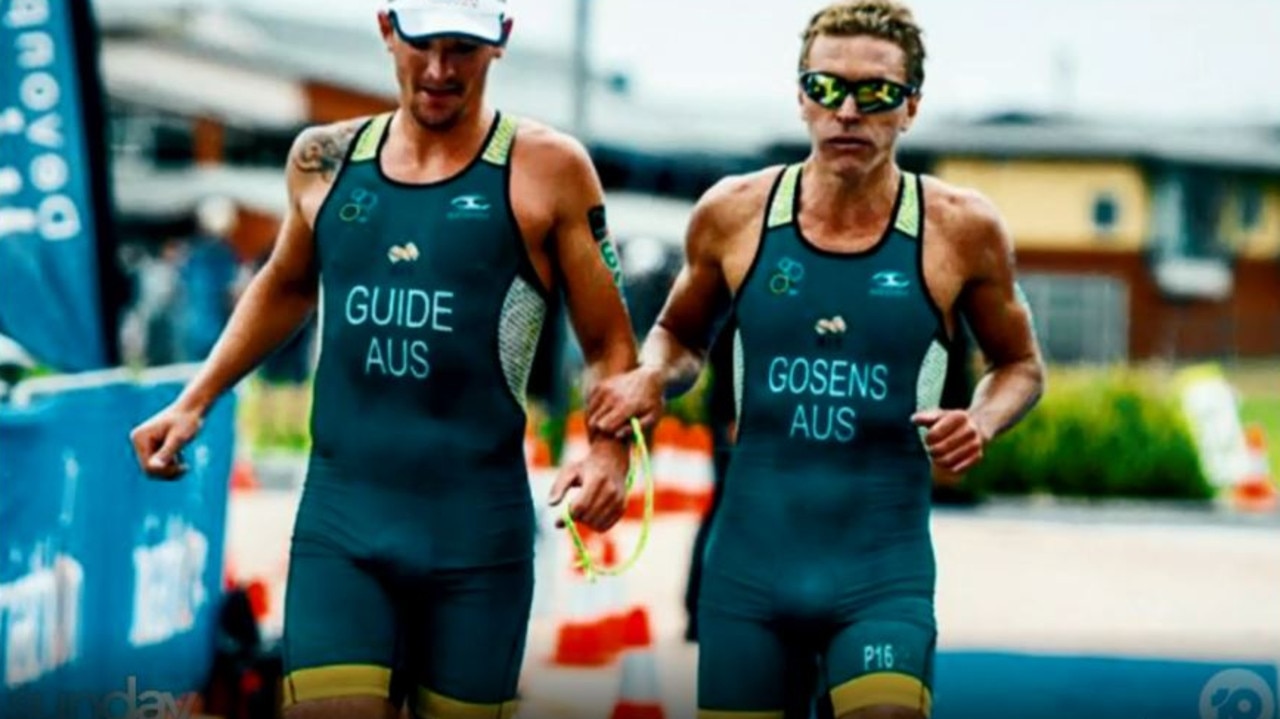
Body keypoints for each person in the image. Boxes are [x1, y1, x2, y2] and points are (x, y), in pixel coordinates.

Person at [129, 1, 638, 717]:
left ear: (502, 43)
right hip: (344, 522)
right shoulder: (323, 159)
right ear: (386, 29)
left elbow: (610, 341)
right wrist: (196, 398)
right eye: (422, 44)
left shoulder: (548, 169)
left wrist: (609, 447)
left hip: (476, 538)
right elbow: (286, 281)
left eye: (462, 48)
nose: (438, 70)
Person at [586, 2, 1046, 717]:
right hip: (750, 574)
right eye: (827, 88)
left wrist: (981, 421)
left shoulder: (961, 228)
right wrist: (652, 376)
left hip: (881, 573)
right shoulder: (734, 214)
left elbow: (1020, 365)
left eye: (877, 92)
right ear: (801, 96)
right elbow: (679, 334)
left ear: (911, 107)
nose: (849, 110)